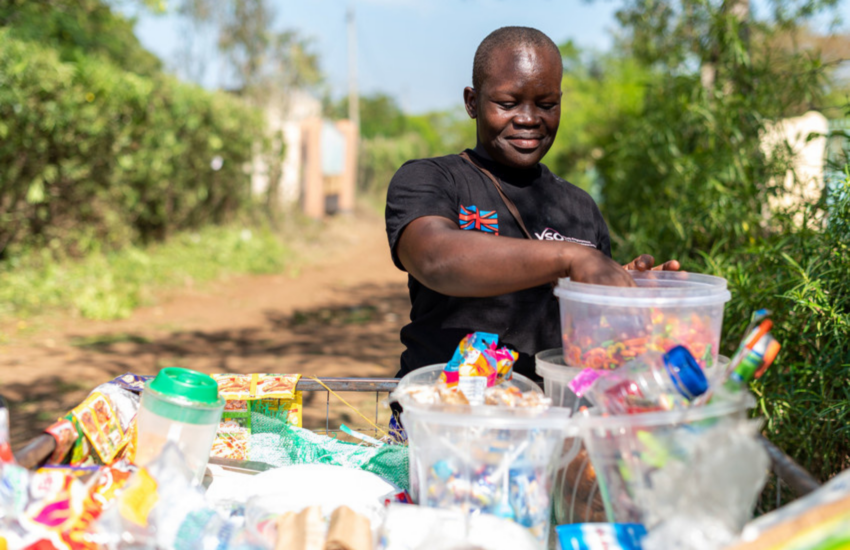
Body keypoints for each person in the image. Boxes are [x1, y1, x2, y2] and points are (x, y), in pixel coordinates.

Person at [385, 26, 678, 383]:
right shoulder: (432, 180)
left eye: (547, 104)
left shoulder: (581, 207)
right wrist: (572, 258)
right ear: (472, 102)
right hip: (442, 418)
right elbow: (435, 259)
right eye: (507, 104)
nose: (528, 118)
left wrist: (626, 295)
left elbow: (592, 344)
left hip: (549, 419)